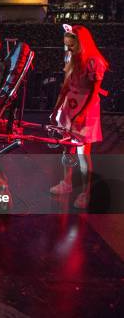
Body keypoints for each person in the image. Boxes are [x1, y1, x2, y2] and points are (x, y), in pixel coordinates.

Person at [49, 24, 108, 209]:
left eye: (72, 44)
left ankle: (86, 192)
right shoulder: (73, 58)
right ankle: (66, 182)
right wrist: (56, 108)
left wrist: (82, 114)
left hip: (86, 107)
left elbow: (93, 92)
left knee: (83, 152)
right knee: (67, 147)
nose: (68, 48)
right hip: (70, 104)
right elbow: (65, 86)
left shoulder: (94, 61)